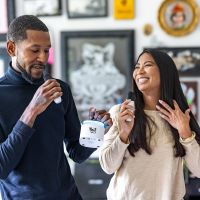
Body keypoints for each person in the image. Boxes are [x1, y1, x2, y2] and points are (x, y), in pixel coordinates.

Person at [0, 15, 112, 200]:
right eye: (35, 50)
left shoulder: (60, 90)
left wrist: (97, 130)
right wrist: (31, 111)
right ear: (12, 48)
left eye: (46, 50)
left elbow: (77, 153)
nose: (42, 58)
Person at [99, 49, 200, 200]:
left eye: (147, 65)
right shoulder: (121, 112)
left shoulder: (180, 117)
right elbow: (108, 166)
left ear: (164, 72)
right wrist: (123, 134)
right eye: (137, 66)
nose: (139, 71)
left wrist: (184, 132)